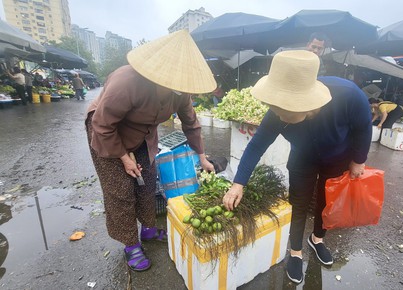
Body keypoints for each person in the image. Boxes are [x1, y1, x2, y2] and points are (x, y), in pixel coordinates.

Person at [222, 50, 372, 284]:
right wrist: (237, 184)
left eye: (285, 111)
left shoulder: (348, 95)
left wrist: (358, 160)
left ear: (305, 104)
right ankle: (295, 252)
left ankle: (318, 239)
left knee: (326, 202)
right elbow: (256, 145)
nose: (278, 115)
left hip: (337, 157)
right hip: (303, 158)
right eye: (277, 109)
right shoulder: (277, 113)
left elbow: (364, 127)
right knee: (298, 203)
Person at [85, 30, 216, 272]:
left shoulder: (180, 93)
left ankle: (147, 228)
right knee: (121, 190)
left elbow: (191, 123)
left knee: (146, 182)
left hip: (143, 135)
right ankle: (130, 243)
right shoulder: (126, 82)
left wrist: (202, 156)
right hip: (107, 132)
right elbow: (102, 125)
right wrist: (124, 157)